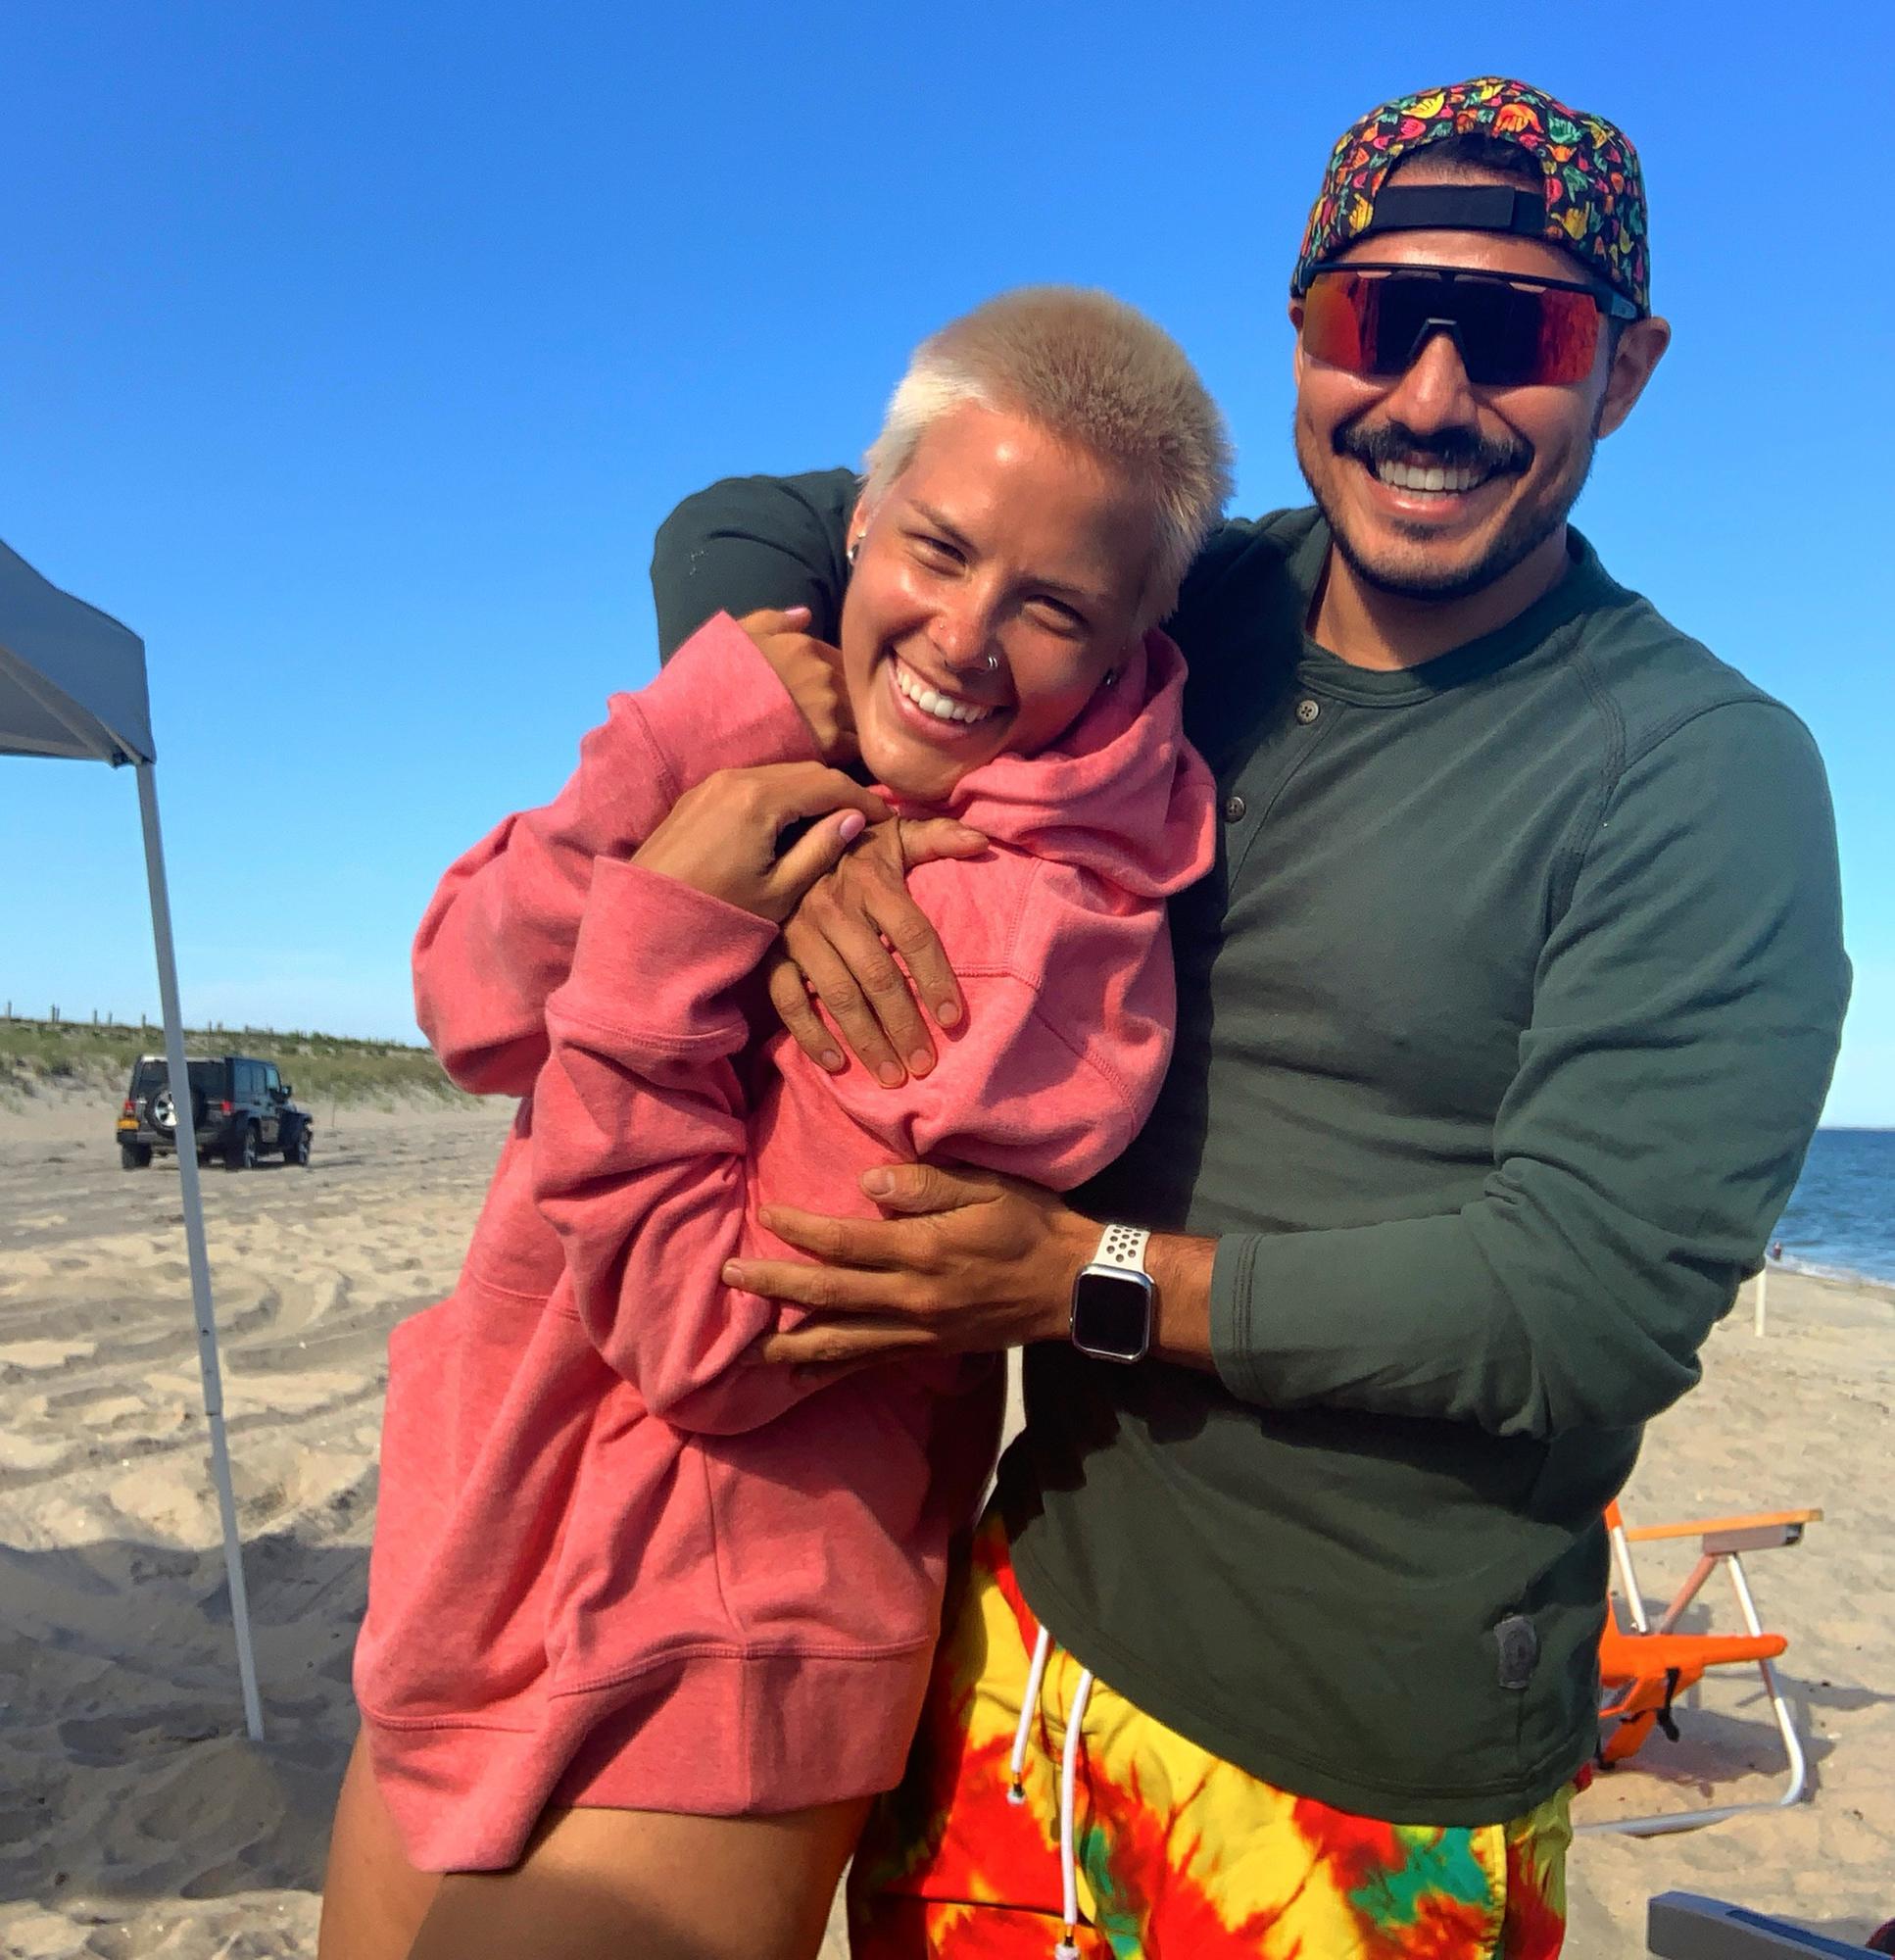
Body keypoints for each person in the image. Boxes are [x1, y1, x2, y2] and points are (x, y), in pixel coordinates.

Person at [643, 77, 1851, 1959]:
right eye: (1377, 319)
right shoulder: (1179, 591)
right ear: (1297, 334)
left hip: (1362, 1775)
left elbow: (1584, 1306)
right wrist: (800, 804)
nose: (1431, 401)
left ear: (1623, 371)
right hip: (1015, 1651)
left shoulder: (1699, 774)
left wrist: (1082, 1282)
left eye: (1518, 333)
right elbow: (754, 524)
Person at [317, 287, 1229, 1960]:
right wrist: (692, 743)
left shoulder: (1040, 935)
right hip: (488, 1543)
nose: (961, 637)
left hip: (726, 1625)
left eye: (1047, 608)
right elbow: (462, 999)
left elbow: (710, 1332)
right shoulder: (757, 749)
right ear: (858, 525)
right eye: (935, 553)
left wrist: (667, 929)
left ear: (1127, 648)